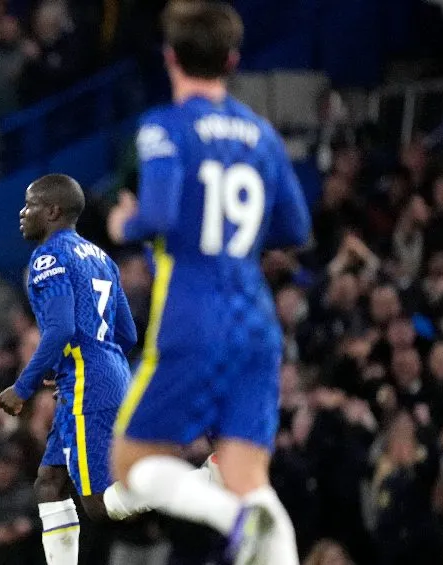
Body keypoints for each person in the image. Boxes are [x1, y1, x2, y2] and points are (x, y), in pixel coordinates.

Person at [106, 2, 311, 564]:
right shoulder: (261, 134)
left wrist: (126, 221)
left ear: (170, 57)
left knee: (130, 462)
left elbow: (159, 215)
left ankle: (230, 516)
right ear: (233, 60)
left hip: (193, 314)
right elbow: (295, 226)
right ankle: (253, 520)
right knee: (247, 475)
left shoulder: (165, 128)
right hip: (255, 315)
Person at [0, 174, 147, 565]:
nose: (22, 213)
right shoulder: (102, 258)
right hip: (102, 374)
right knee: (50, 483)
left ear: (52, 211)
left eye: (30, 205)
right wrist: (76, 364)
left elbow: (62, 327)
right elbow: (127, 335)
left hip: (86, 385)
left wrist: (23, 387)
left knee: (97, 505)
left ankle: (190, 482)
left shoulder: (49, 257)